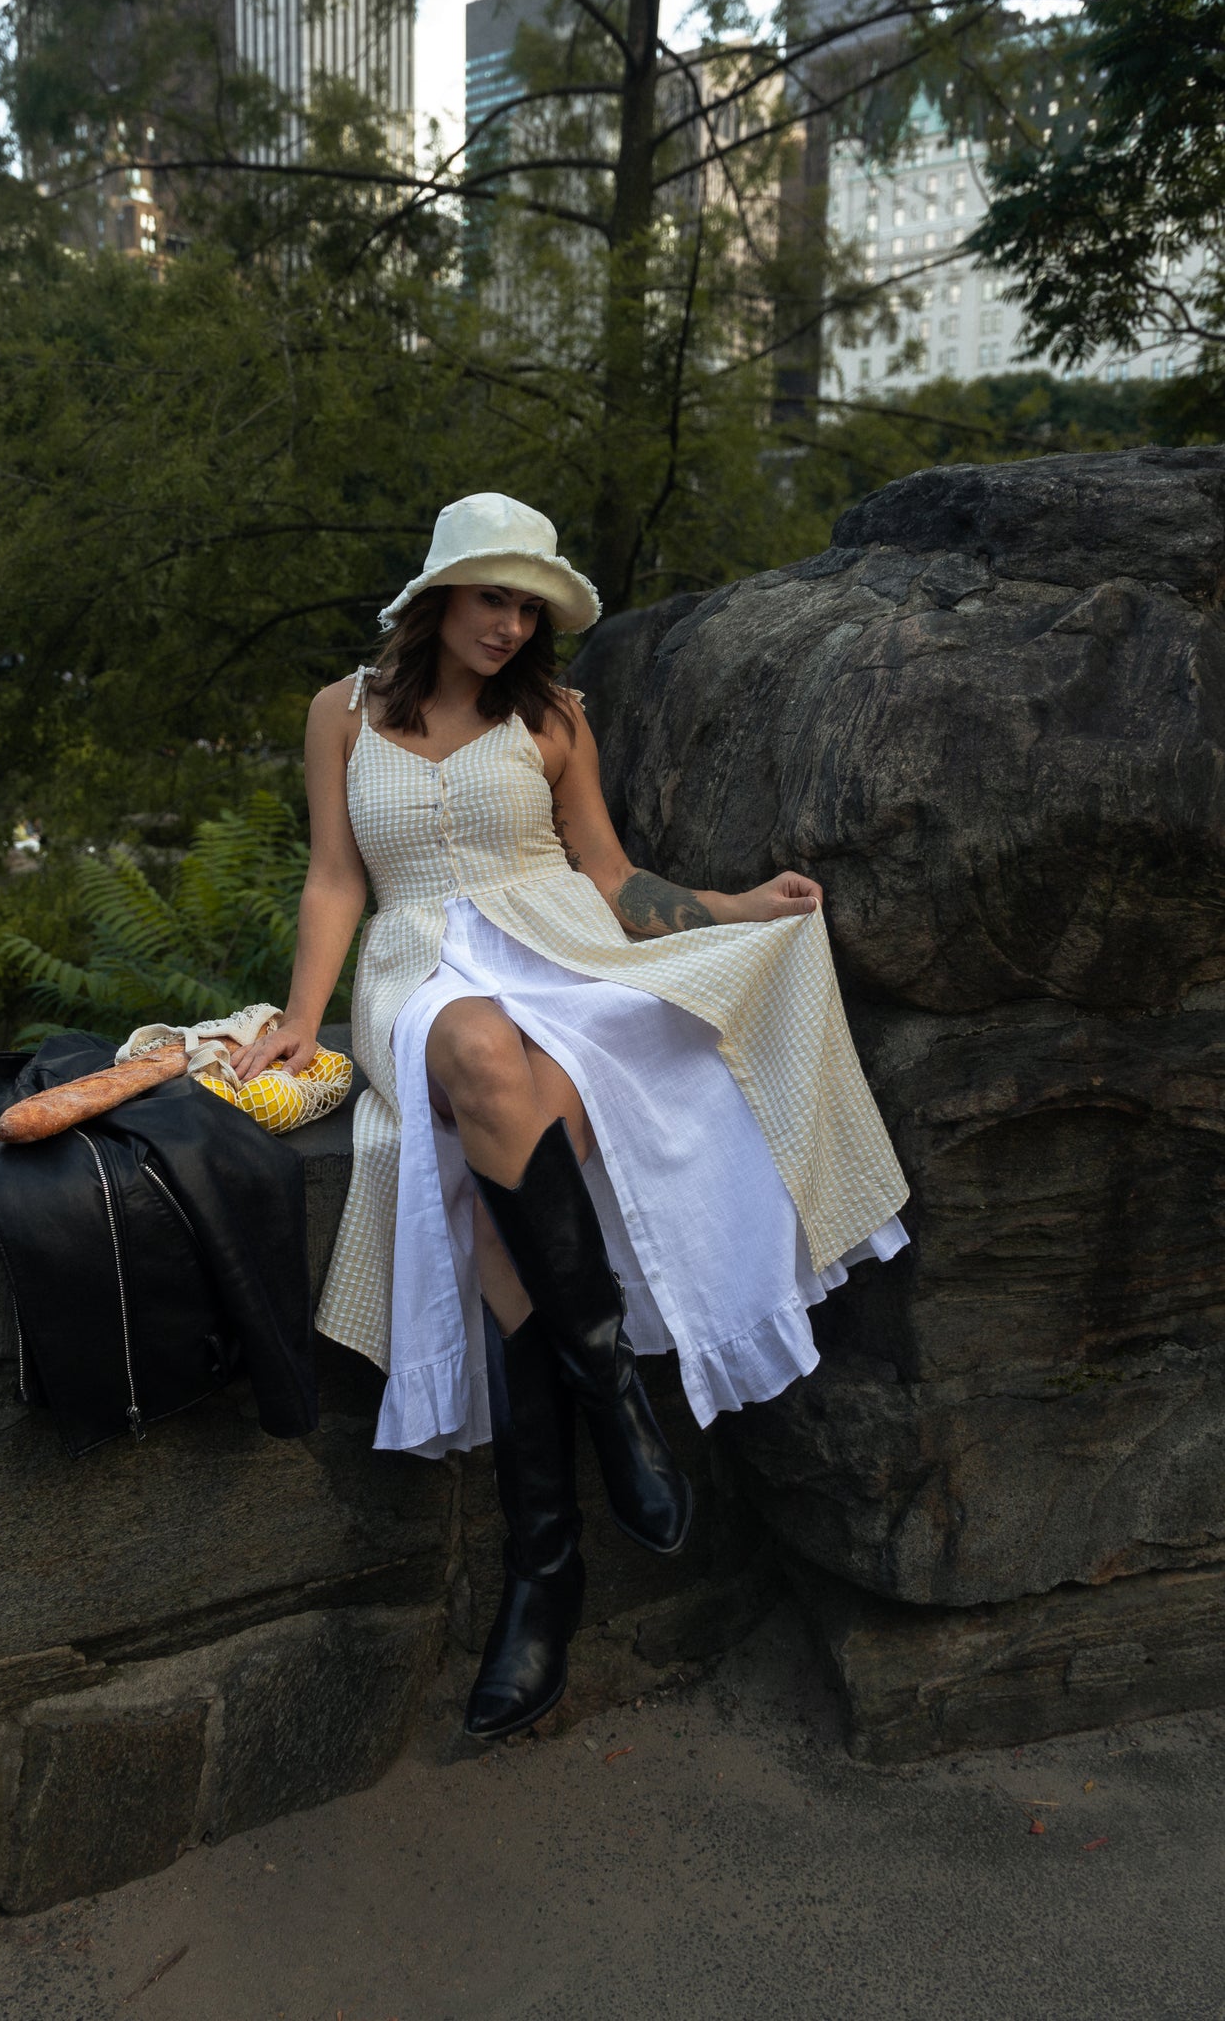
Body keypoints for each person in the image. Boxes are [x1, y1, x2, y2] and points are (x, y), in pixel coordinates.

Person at [236, 492, 910, 1740]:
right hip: (417, 972)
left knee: (505, 1199)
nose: (508, 623)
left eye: (528, 605)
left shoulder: (551, 718)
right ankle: (610, 1385)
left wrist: (728, 903)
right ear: (437, 595)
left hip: (562, 954)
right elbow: (335, 875)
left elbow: (607, 874)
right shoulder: (343, 712)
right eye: (490, 596)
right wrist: (299, 1013)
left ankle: (542, 1571)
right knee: (480, 1053)